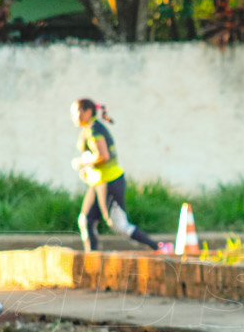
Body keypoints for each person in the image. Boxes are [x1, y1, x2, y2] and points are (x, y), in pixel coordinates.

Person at [69, 99, 170, 253]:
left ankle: (158, 247)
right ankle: (92, 260)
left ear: (88, 112)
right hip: (98, 183)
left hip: (110, 182)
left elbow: (104, 156)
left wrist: (81, 163)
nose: (74, 116)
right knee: (85, 220)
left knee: (119, 225)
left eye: (77, 112)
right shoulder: (89, 129)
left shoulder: (94, 130)